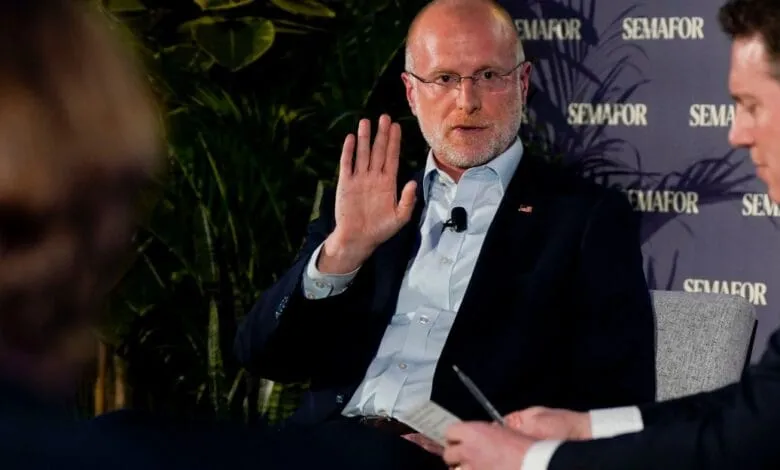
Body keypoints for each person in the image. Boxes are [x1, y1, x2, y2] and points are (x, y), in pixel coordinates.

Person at [234, 0, 656, 466]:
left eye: (489, 76)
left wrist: (495, 451)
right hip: (319, 444)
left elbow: (617, 396)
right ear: (411, 94)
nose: (467, 101)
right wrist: (341, 254)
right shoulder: (373, 198)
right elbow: (262, 356)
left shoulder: (583, 218)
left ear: (522, 81)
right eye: (444, 79)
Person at [441, 0, 780, 469]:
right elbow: (750, 411)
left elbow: (738, 444)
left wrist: (532, 460)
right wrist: (585, 428)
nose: (737, 134)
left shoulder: (585, 215)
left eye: (751, 105)